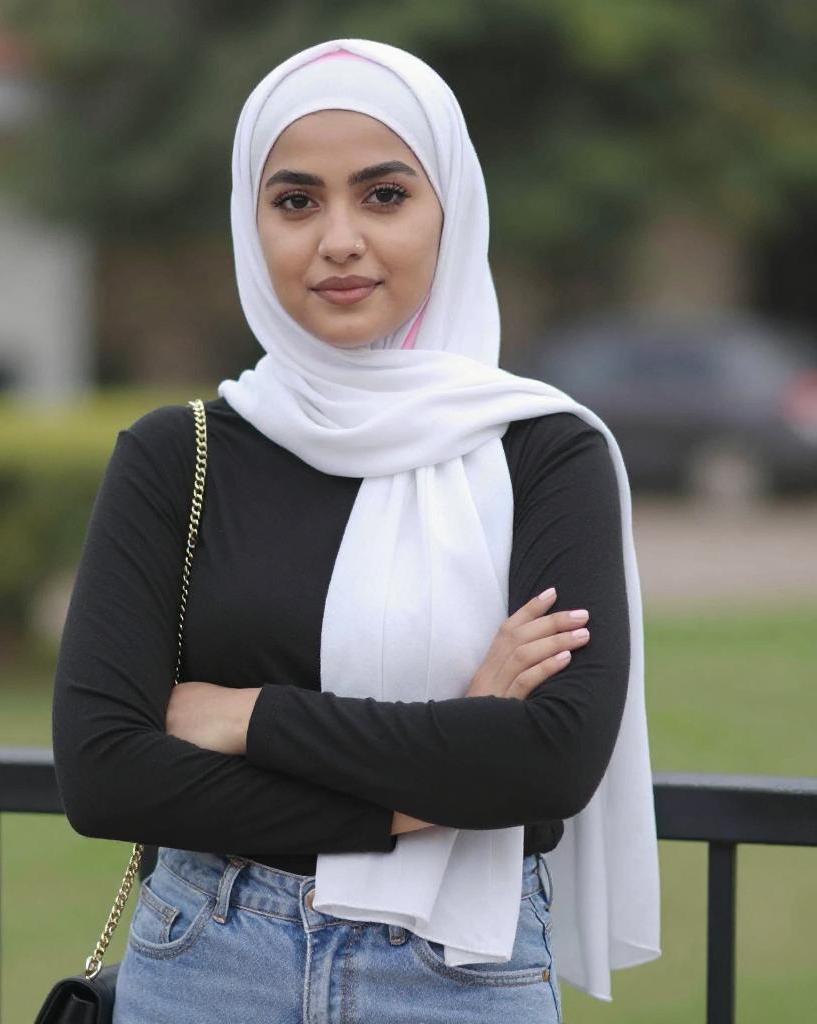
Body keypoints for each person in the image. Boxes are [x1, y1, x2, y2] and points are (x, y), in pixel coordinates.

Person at [52, 38, 661, 1024]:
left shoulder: (544, 451)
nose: (338, 239)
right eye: (296, 201)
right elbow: (105, 775)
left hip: (459, 978)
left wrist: (245, 717)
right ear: (251, 223)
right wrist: (436, 783)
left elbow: (549, 760)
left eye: (384, 195)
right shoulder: (180, 453)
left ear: (450, 209)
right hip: (207, 959)